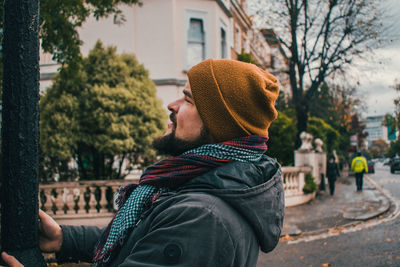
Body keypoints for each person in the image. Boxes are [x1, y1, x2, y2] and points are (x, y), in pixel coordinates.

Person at [1, 58, 283, 267]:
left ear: (219, 125)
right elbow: (143, 241)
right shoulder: (202, 188)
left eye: (188, 99)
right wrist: (64, 239)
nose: (171, 105)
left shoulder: (202, 217)